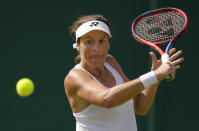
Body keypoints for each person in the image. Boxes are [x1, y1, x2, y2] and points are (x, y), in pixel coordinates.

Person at [64, 14, 184, 131]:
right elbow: (107, 99)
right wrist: (155, 75)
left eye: (101, 41)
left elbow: (139, 106)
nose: (96, 48)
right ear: (78, 45)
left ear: (108, 44)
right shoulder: (74, 77)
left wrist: (156, 78)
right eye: (89, 41)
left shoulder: (110, 62)